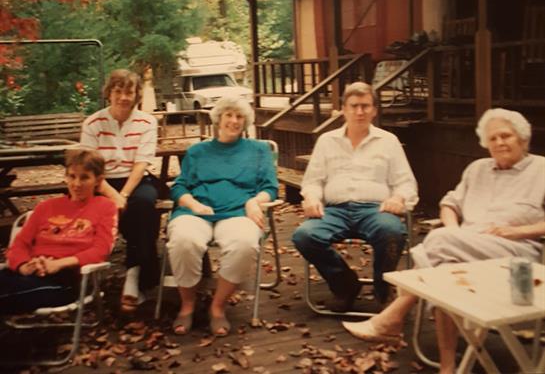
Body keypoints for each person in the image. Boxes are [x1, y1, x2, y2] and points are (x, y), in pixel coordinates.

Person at [343, 108, 545, 374]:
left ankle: (393, 317)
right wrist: (454, 232)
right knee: (444, 266)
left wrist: (517, 232)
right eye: (492, 138)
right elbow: (449, 204)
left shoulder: (541, 169)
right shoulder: (477, 169)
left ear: (523, 138)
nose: (499, 142)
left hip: (515, 255)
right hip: (462, 247)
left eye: (505, 136)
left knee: (441, 246)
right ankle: (448, 366)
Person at [292, 82, 418, 311]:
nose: (360, 112)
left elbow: (406, 182)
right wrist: (311, 198)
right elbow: (313, 181)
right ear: (343, 109)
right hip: (335, 211)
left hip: (376, 210)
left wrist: (399, 198)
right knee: (305, 236)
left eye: (365, 106)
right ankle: (345, 285)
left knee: (391, 232)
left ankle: (383, 289)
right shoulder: (327, 141)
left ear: (374, 110)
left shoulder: (388, 141)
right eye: (354, 106)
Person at [167, 96, 278, 336]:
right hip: (197, 211)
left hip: (238, 212)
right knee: (184, 241)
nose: (234, 121)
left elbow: (270, 188)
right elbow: (179, 187)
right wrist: (193, 204)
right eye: (229, 115)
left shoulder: (259, 150)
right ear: (218, 118)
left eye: (239, 116)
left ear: (245, 121)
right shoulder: (197, 151)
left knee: (245, 243)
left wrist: (254, 202)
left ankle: (217, 307)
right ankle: (187, 304)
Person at [80, 69, 159, 313]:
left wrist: (123, 195)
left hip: (135, 180)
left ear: (136, 95)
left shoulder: (147, 122)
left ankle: (135, 275)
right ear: (109, 93)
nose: (123, 97)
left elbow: (141, 164)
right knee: (81, 207)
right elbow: (89, 168)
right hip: (99, 181)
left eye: (129, 92)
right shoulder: (93, 123)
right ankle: (78, 277)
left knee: (144, 205)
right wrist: (113, 196)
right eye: (118, 91)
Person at [0, 150, 117, 314]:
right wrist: (23, 266)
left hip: (63, 279)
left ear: (98, 180)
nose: (76, 184)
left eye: (84, 177)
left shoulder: (104, 207)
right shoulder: (46, 207)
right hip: (29, 270)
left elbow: (101, 250)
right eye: (72, 176)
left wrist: (58, 264)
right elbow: (19, 244)